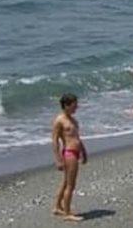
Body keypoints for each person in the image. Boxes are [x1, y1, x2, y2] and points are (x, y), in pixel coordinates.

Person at [51, 93, 87, 221]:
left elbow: (77, 138)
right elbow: (54, 140)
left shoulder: (73, 120)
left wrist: (84, 152)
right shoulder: (59, 120)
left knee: (66, 182)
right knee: (71, 184)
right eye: (74, 105)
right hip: (69, 153)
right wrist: (58, 159)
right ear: (66, 105)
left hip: (76, 152)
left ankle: (57, 207)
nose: (76, 107)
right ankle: (67, 213)